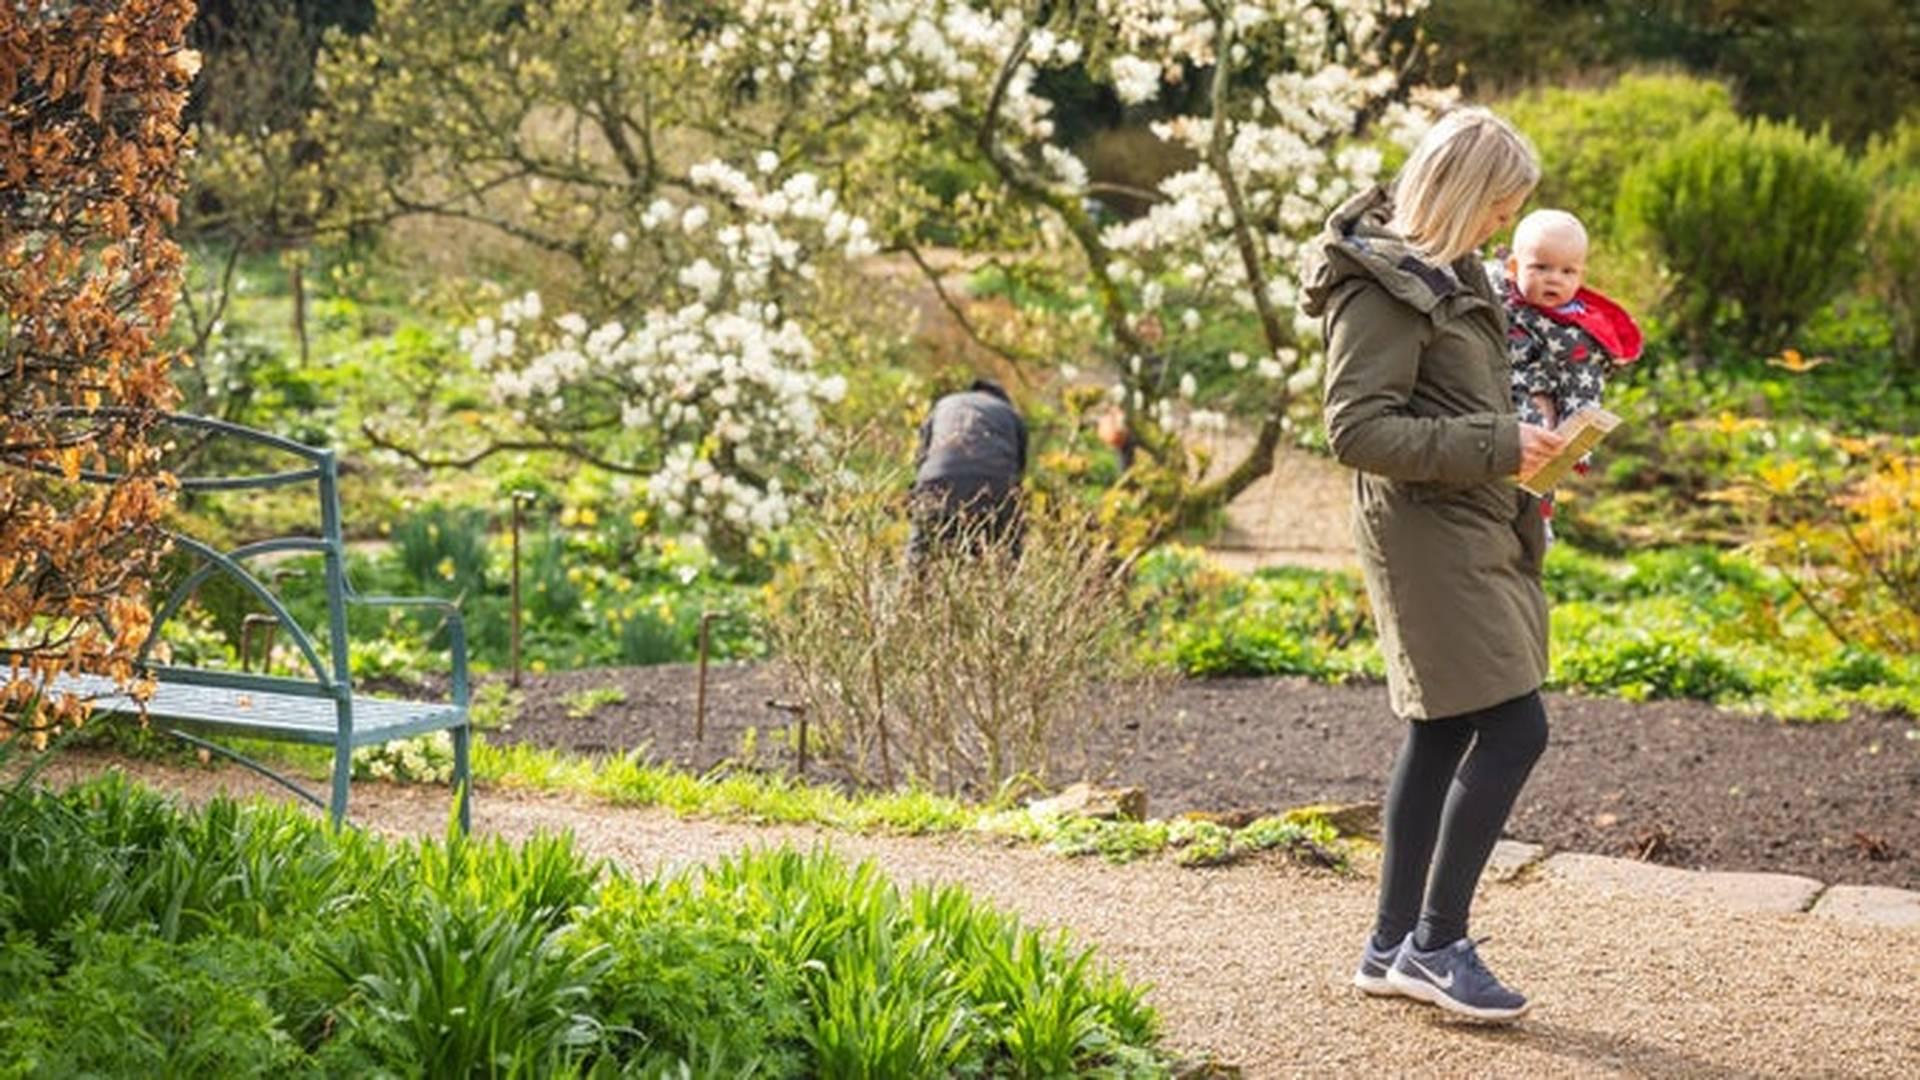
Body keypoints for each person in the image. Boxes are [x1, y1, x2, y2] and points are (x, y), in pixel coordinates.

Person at [1301, 106, 1567, 1023]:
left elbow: (1455, 401)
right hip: (1426, 532)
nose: (1504, 226)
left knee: (1444, 730)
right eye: (1500, 207)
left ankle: (1389, 948)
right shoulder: (1381, 287)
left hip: (1469, 516)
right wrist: (1500, 443)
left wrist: (1531, 445)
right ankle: (1436, 944)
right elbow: (1355, 428)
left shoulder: (1449, 271)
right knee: (1514, 727)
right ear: (1462, 195)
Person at [1497, 208, 1642, 434]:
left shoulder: (1581, 321)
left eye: (1568, 271)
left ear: (1580, 278)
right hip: (1511, 403)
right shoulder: (1502, 302)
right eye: (1541, 267)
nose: (1554, 279)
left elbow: (1589, 368)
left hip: (1568, 396)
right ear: (1513, 268)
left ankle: (1566, 446)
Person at [907, 378, 1028, 564]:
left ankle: (912, 587)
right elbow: (1019, 468)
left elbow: (922, 455)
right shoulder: (1011, 414)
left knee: (921, 553)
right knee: (1006, 553)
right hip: (994, 486)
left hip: (938, 482)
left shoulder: (944, 404)